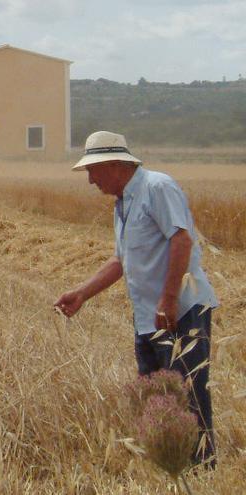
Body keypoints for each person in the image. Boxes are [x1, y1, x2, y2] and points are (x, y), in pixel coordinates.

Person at [54, 131, 218, 467]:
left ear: (114, 164)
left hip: (181, 312)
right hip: (149, 317)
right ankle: (173, 469)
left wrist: (169, 299)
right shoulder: (123, 204)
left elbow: (182, 241)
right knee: (156, 401)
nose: (90, 181)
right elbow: (121, 261)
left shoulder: (158, 187)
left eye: (92, 171)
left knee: (189, 400)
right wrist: (83, 293)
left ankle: (203, 471)